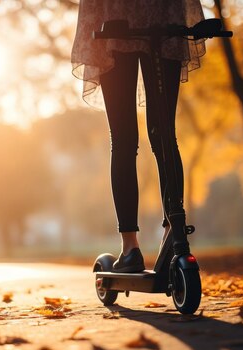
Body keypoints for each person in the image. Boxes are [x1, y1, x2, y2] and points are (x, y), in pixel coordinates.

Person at [71, 0, 207, 272]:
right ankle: (172, 233)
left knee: (125, 141)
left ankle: (132, 247)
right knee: (164, 135)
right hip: (162, 15)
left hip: (115, 15)